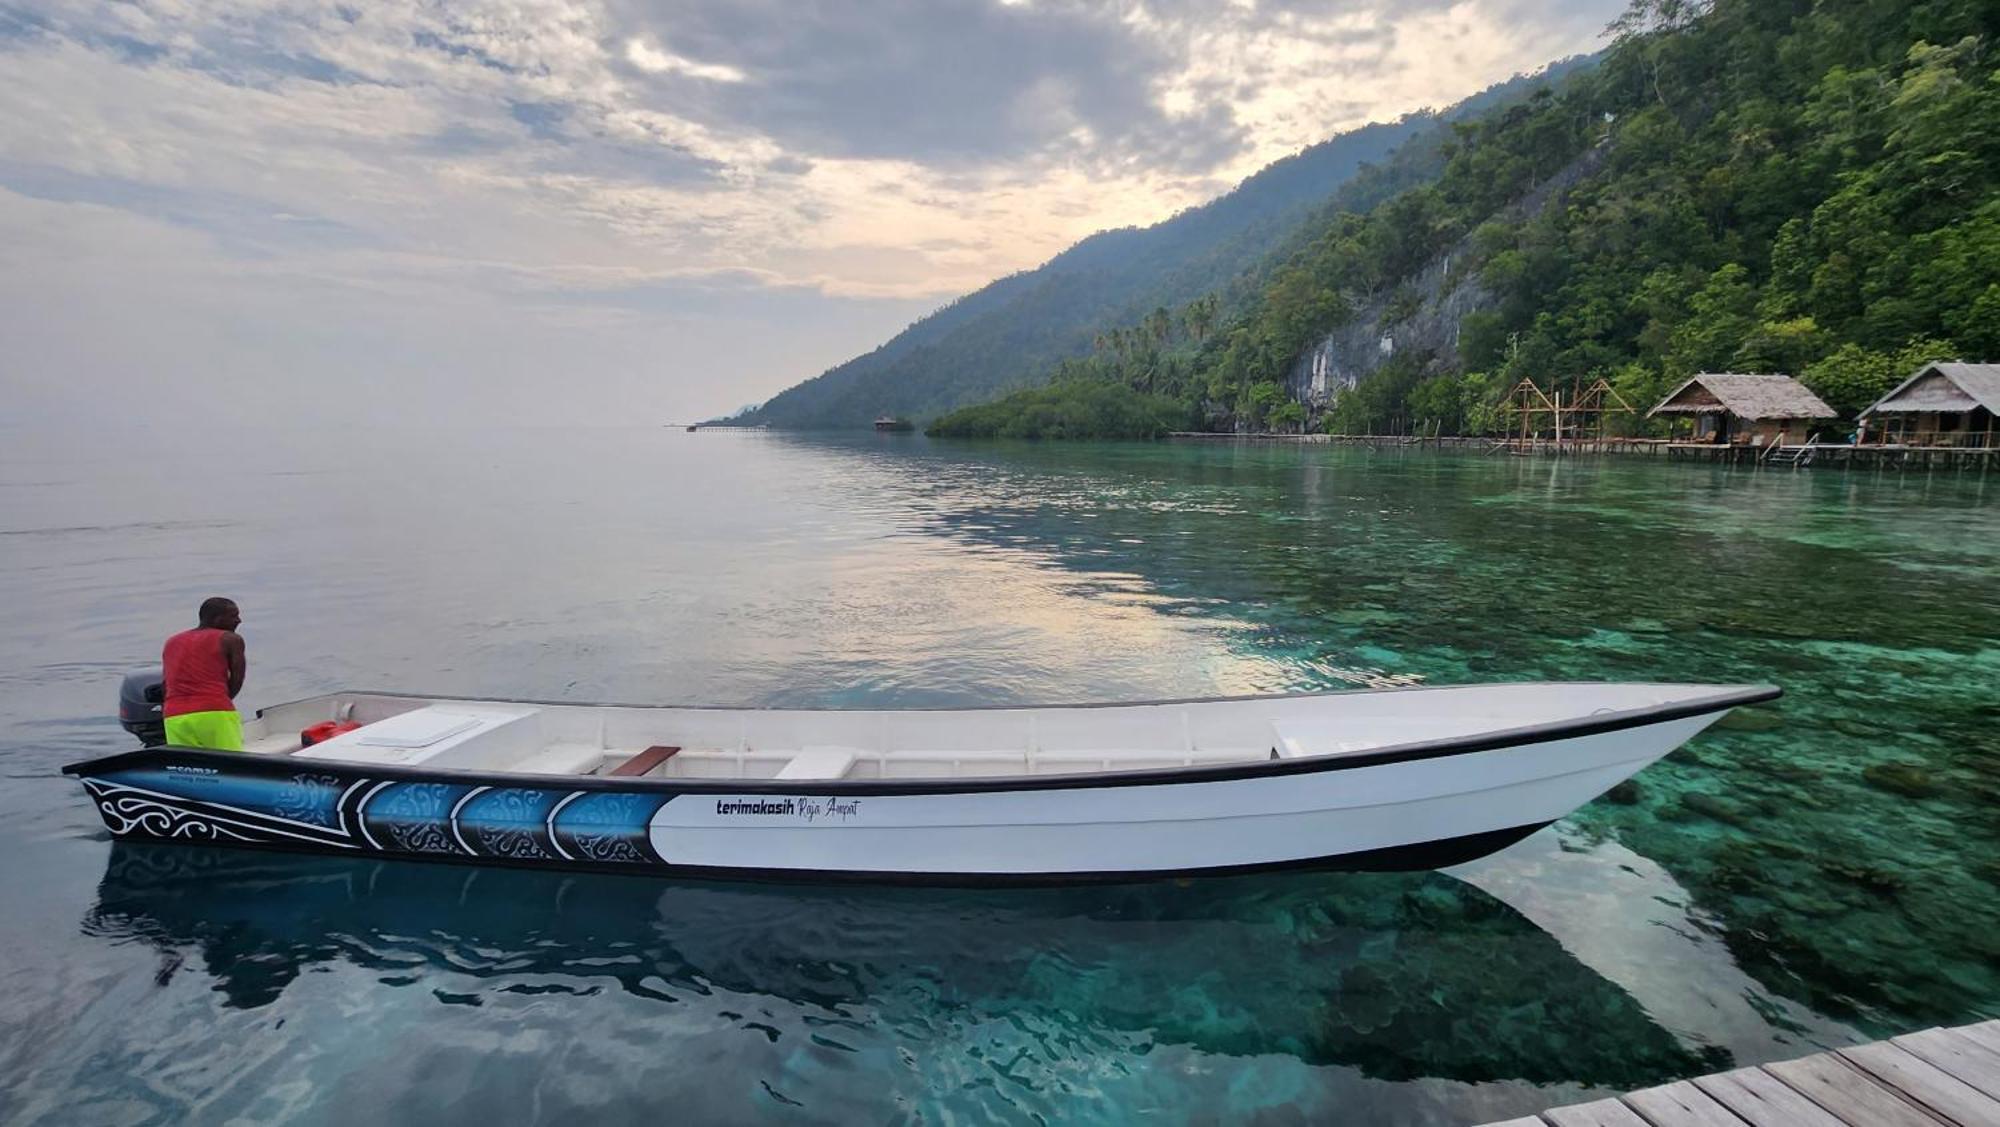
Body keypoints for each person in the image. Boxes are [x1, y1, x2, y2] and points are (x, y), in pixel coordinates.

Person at [162, 597, 247, 750]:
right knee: (231, 766)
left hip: (174, 715)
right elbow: (237, 679)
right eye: (233, 616)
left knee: (188, 769)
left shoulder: (172, 642)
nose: (239, 620)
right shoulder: (231, 639)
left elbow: (166, 683)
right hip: (214, 711)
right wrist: (220, 701)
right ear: (217, 619)